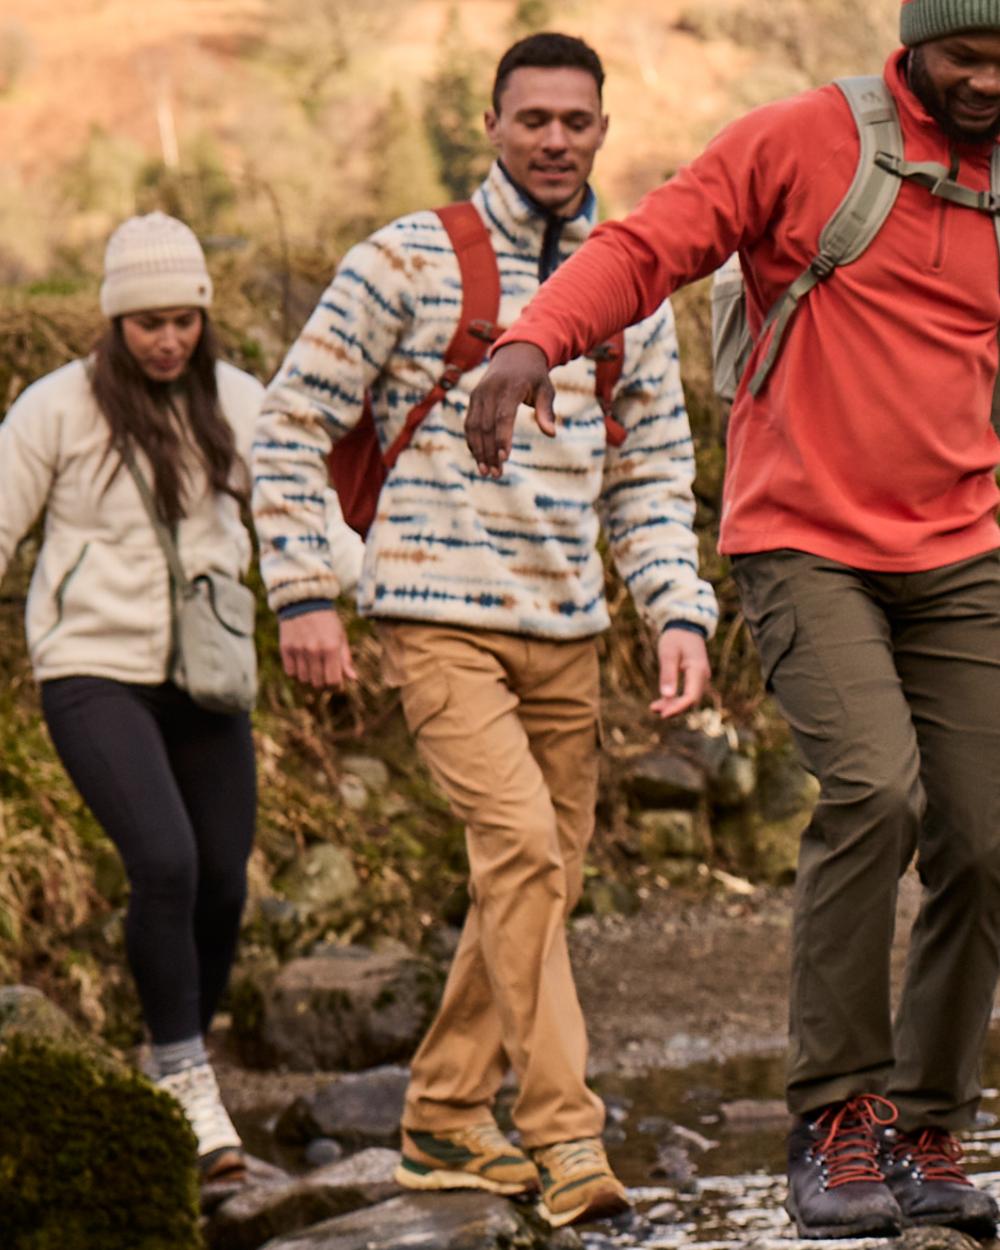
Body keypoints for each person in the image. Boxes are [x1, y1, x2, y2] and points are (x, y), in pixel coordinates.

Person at [465, 1, 1000, 1242]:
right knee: (876, 790)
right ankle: (832, 1115)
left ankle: (926, 1125)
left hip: (962, 546)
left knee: (984, 834)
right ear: (916, 44)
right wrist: (530, 340)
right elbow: (649, 244)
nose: (984, 82)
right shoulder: (806, 141)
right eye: (966, 56)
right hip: (805, 538)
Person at [252, 31, 716, 1228]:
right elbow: (290, 424)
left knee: (538, 879)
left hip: (568, 623)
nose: (555, 139)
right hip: (433, 613)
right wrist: (304, 588)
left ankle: (446, 1112)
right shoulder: (406, 258)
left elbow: (653, 471)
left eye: (576, 119)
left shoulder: (633, 287)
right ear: (492, 126)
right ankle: (567, 1134)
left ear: (603, 128)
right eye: (533, 119)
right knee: (519, 850)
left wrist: (674, 608)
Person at [2, 214, 264, 1181]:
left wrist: (392, 593)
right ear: (115, 322)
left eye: (184, 321)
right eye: (148, 323)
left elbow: (302, 519)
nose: (168, 341)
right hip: (91, 669)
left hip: (210, 671)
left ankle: (179, 1052)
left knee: (226, 881)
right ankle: (187, 1080)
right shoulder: (57, 409)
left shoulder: (238, 401)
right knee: (164, 860)